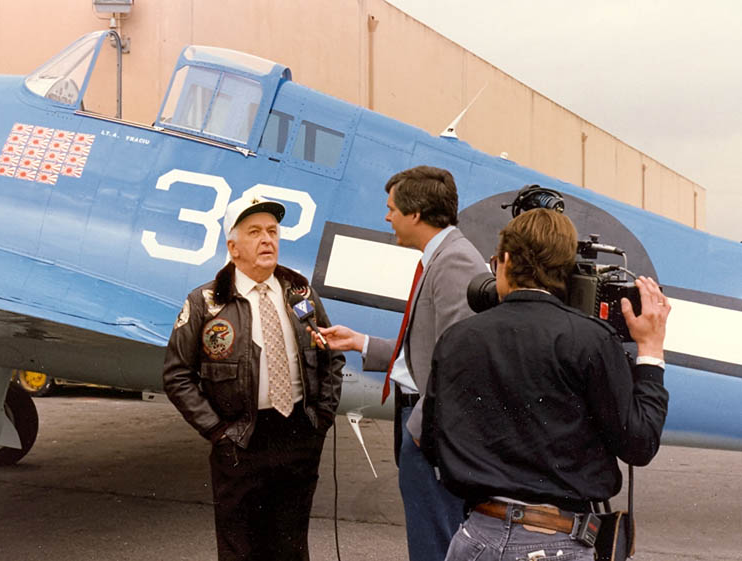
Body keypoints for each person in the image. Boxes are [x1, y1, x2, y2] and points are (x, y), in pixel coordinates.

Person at [421, 208, 670, 560]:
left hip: (475, 538)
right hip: (558, 542)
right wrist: (650, 351)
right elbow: (638, 443)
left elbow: (432, 441)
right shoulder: (591, 341)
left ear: (505, 260)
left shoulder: (457, 339)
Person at [315, 165, 488, 561]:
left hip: (431, 434)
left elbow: (460, 364)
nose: (387, 216)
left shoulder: (455, 262)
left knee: (434, 546)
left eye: (392, 208)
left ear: (415, 214)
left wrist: (419, 431)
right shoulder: (440, 256)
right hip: (423, 428)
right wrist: (361, 342)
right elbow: (429, 349)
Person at [162, 195, 345, 561]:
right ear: (233, 246)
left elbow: (332, 357)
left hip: (297, 435)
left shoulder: (300, 294)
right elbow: (177, 374)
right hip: (240, 439)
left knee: (291, 549)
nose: (268, 240)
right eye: (255, 232)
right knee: (239, 550)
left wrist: (320, 420)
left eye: (273, 231)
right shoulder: (206, 302)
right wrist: (217, 432)